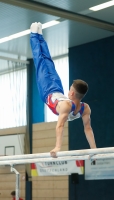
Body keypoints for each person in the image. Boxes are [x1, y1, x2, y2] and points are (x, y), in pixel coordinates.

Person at [30, 22, 97, 157]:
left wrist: (58, 147)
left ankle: (33, 35)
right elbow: (87, 128)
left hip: (47, 90)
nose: (70, 90)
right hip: (56, 88)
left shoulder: (70, 106)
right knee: (48, 61)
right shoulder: (85, 108)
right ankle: (39, 36)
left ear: (71, 93)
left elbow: (62, 126)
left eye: (70, 88)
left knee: (40, 62)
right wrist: (94, 148)